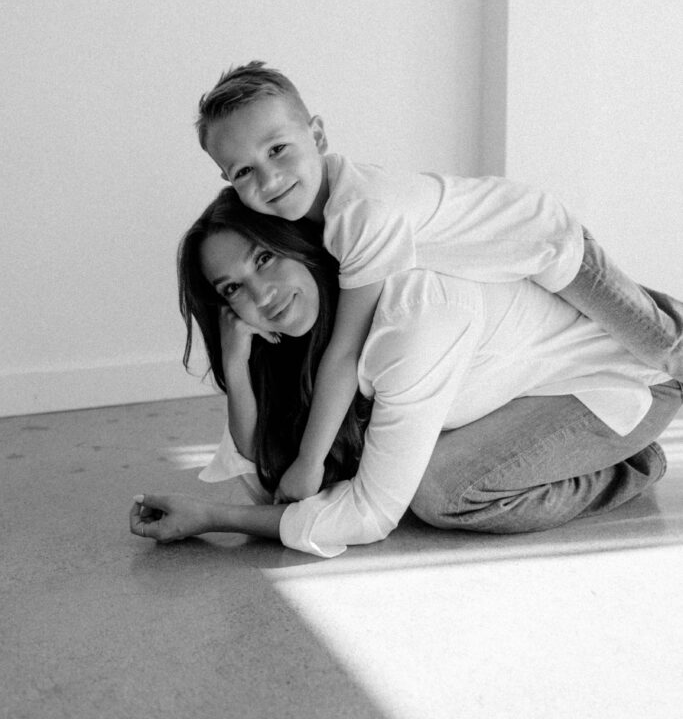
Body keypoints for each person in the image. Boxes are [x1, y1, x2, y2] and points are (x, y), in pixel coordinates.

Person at [190, 61, 683, 505]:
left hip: (551, 244)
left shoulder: (363, 215)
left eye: (278, 149)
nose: (269, 178)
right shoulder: (319, 222)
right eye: (244, 171)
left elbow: (344, 351)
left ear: (318, 136)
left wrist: (310, 461)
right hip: (521, 270)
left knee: (667, 350)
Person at [129, 188, 683, 558]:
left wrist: (211, 517)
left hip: (622, 379)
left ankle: (630, 465)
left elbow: (371, 514)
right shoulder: (314, 333)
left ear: (298, 245)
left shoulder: (411, 315)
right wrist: (236, 364)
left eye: (264, 259)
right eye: (232, 289)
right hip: (526, 385)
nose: (261, 295)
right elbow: (268, 477)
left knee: (441, 491)